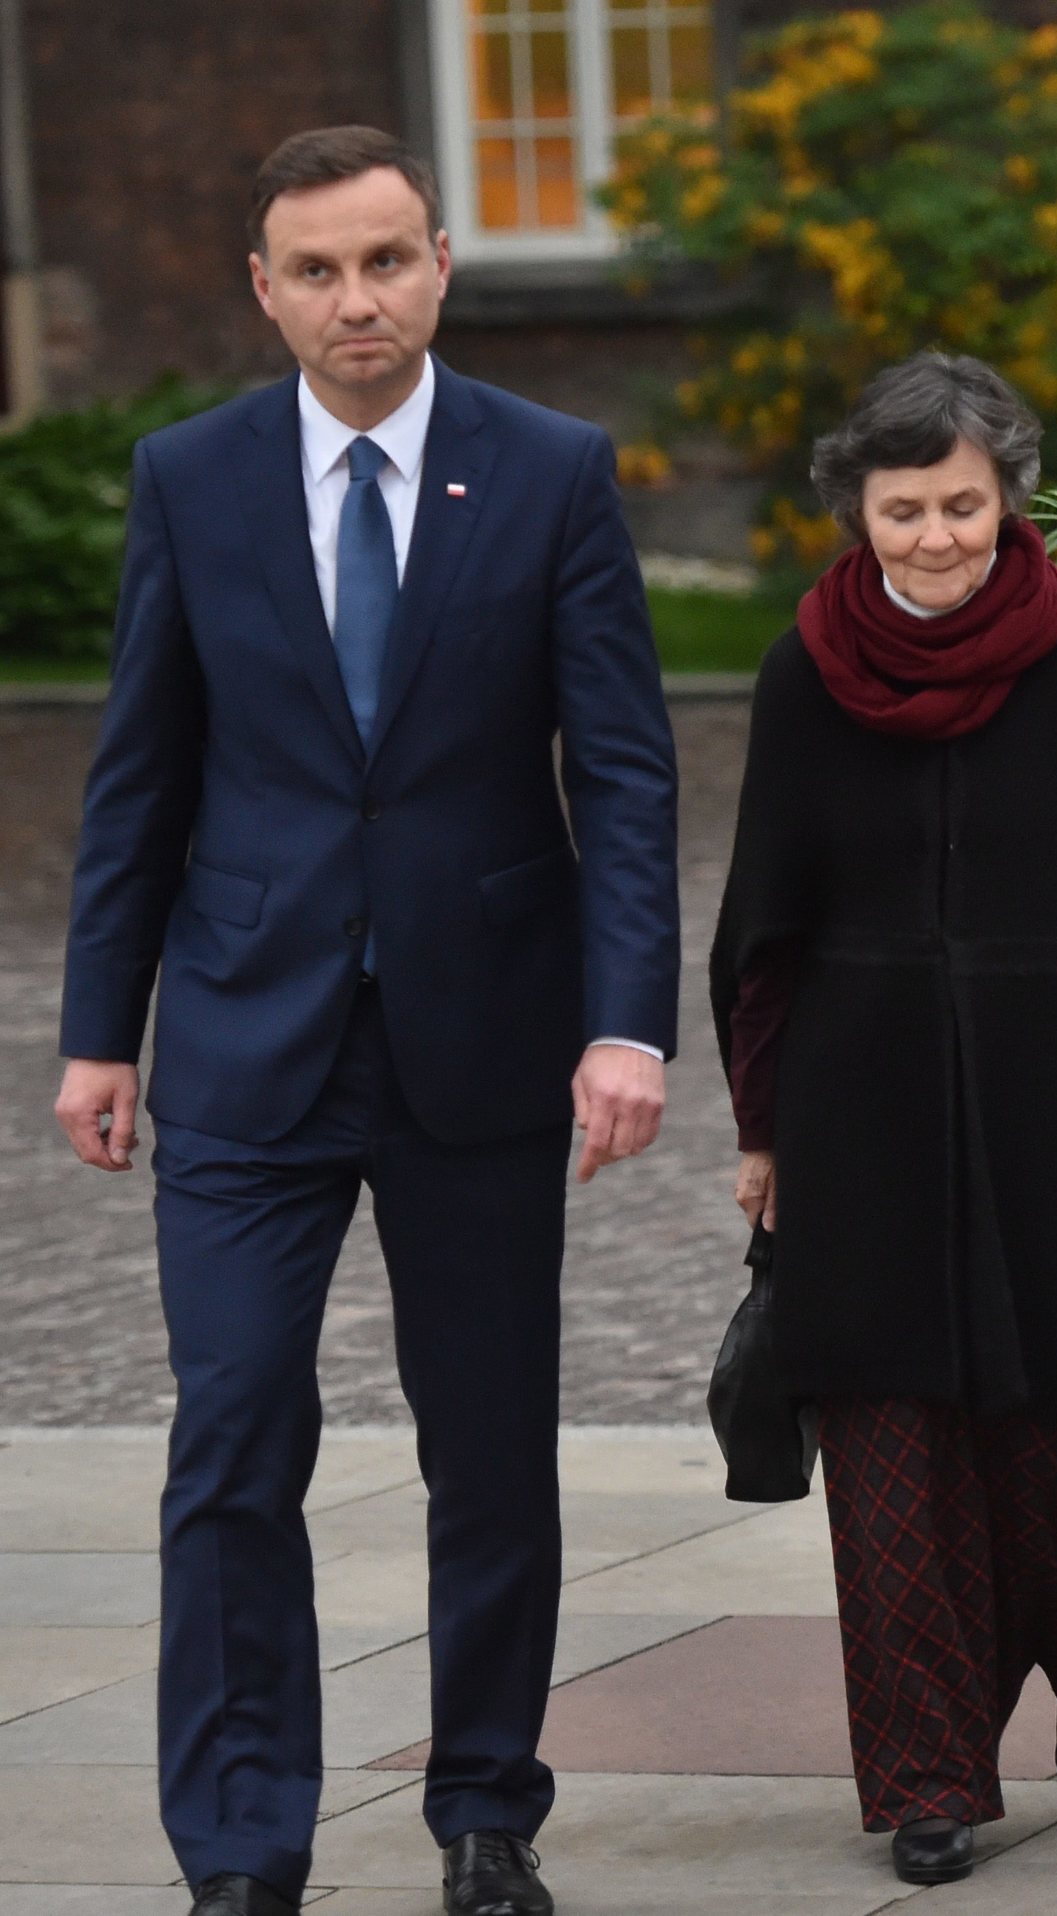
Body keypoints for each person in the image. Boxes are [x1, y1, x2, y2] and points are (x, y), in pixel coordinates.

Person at [50, 128, 679, 1916]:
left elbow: (624, 775)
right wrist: (105, 1031)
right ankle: (243, 1844)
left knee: (489, 1445)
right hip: (247, 1038)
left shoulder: (550, 470)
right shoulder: (193, 475)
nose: (356, 301)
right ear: (263, 286)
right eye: (316, 271)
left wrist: (627, 1023)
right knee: (234, 1431)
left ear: (442, 264)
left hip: (485, 1031)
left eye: (386, 261)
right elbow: (138, 775)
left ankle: (487, 1809)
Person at [711, 352, 1057, 1889]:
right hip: (857, 1107)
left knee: (1045, 1458)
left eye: (961, 503)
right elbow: (767, 927)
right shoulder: (805, 668)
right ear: (853, 512)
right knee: (885, 1459)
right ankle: (929, 1777)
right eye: (902, 509)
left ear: (1007, 497)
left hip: (1053, 1105)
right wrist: (761, 1127)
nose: (935, 537)